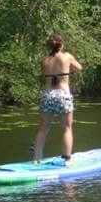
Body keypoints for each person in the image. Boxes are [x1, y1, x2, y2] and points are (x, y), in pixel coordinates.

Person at [31, 33, 83, 165]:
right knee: (66, 128)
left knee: (43, 128)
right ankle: (67, 159)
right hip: (62, 95)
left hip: (47, 95)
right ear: (62, 44)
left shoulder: (44, 61)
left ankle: (36, 159)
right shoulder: (67, 56)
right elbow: (79, 68)